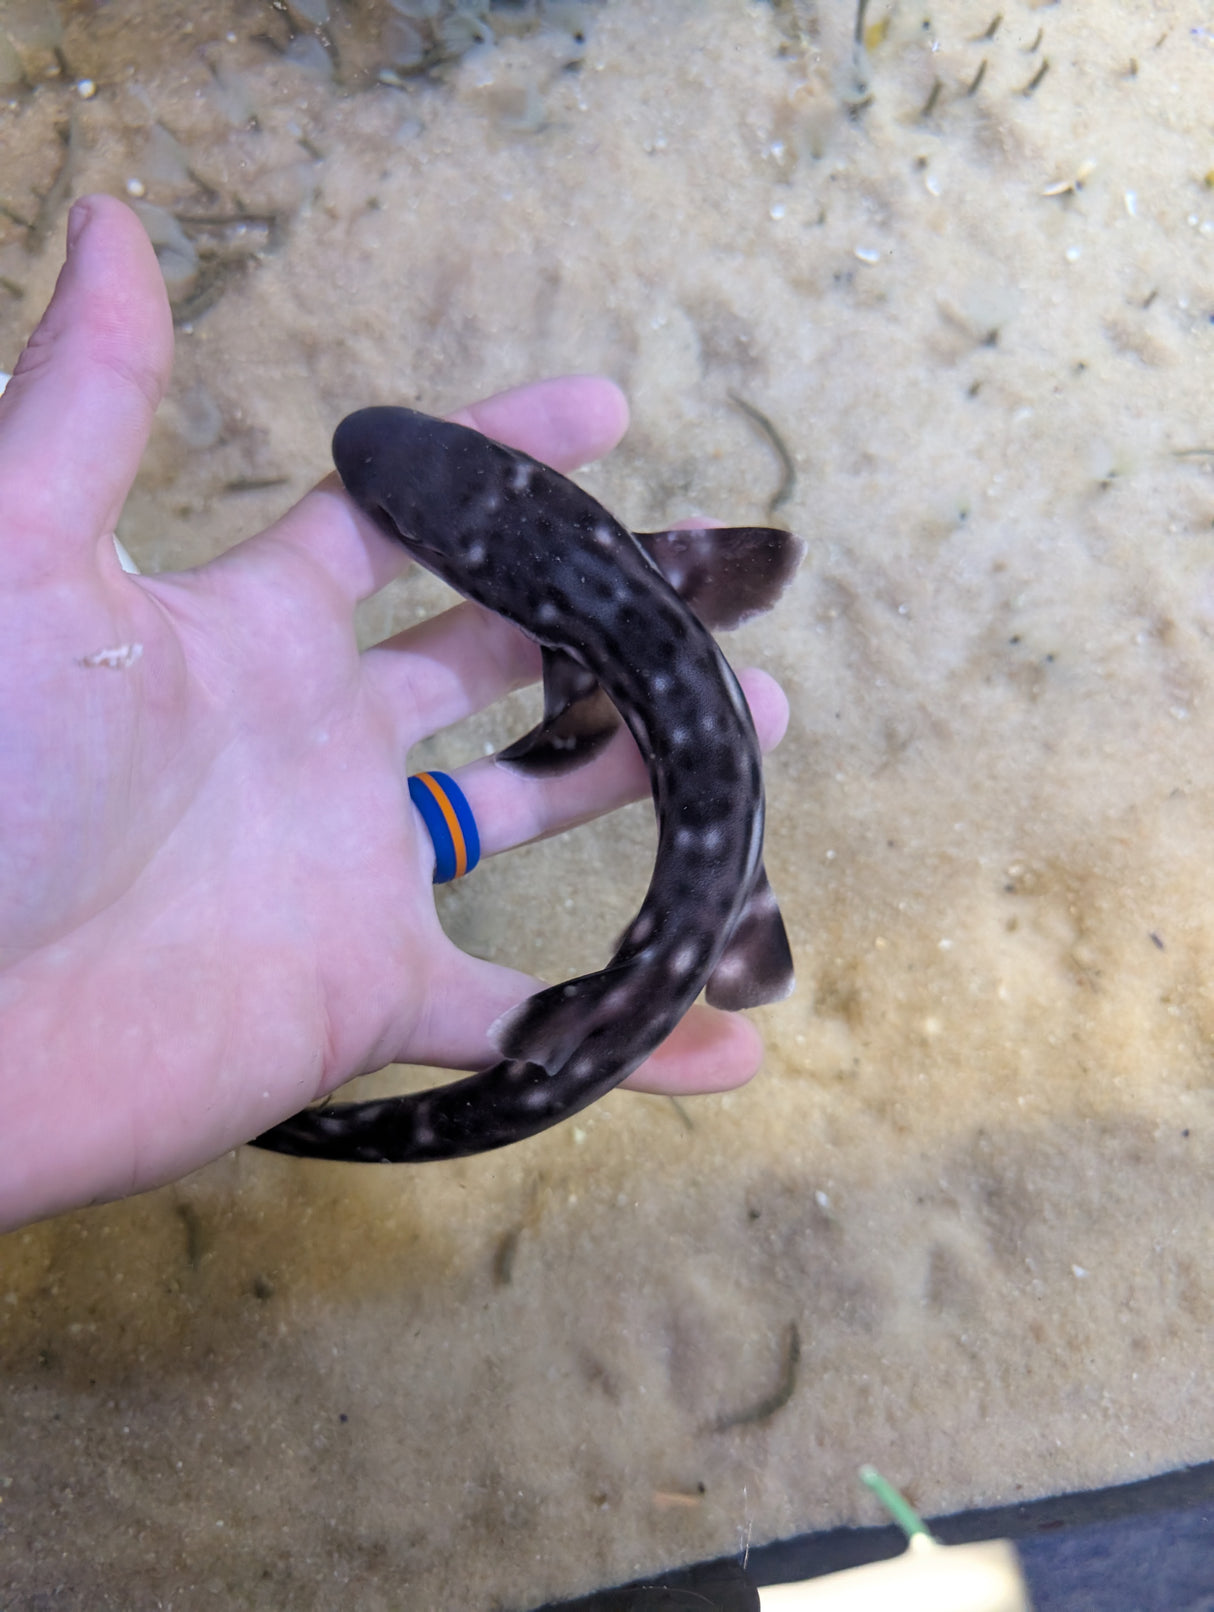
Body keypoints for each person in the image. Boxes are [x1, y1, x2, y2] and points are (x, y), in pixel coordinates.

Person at [0, 195, 790, 1233]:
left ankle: (711, 926)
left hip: (669, 786)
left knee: (680, 880)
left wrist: (577, 720)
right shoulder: (626, 575)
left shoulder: (568, 635)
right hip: (649, 692)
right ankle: (713, 925)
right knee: (679, 855)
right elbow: (758, 565)